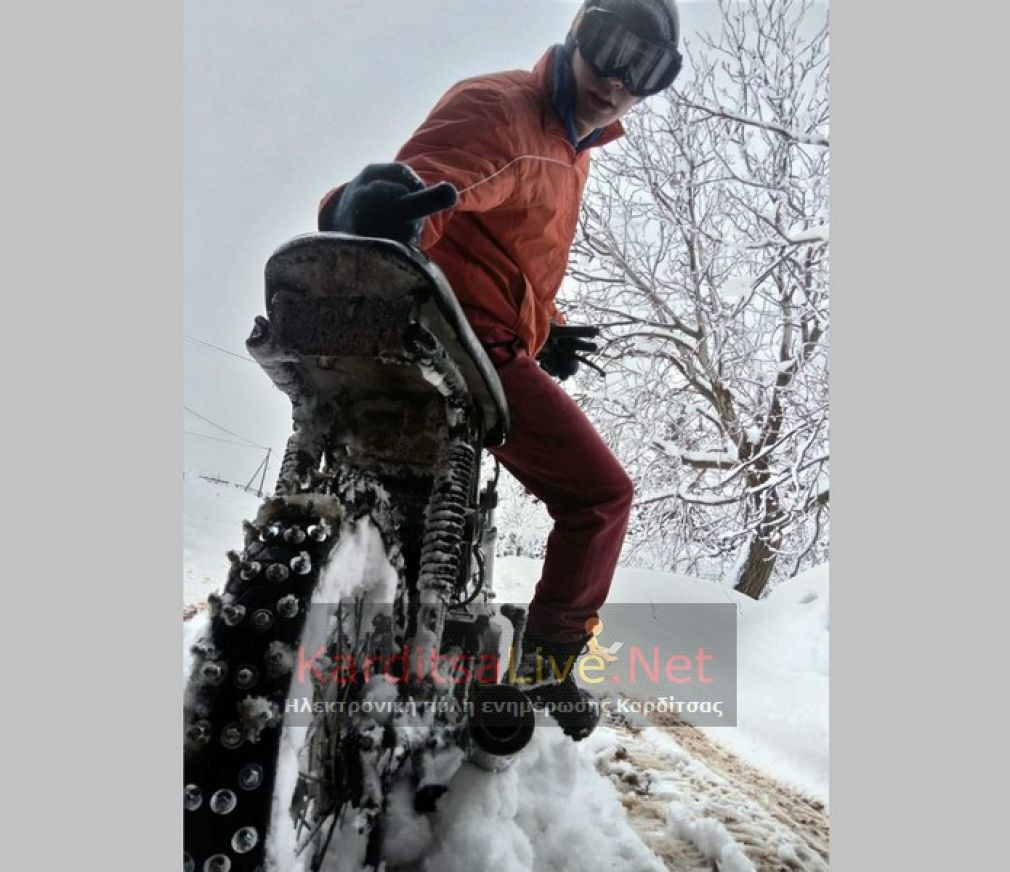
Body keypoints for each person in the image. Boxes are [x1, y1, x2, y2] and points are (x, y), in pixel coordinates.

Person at [318, 0, 683, 740]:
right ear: (577, 34)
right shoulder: (507, 106)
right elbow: (425, 188)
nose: (616, 80)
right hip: (459, 337)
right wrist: (374, 210)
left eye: (645, 70)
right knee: (601, 496)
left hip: (489, 327)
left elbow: (501, 251)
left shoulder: (571, 147)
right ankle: (549, 664)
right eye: (608, 48)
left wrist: (544, 330)